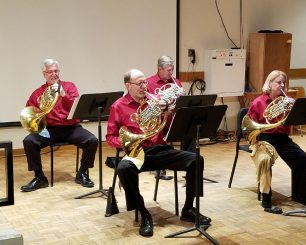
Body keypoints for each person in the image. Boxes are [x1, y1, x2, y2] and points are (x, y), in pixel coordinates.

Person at [106, 69, 211, 237]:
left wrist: (168, 114)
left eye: (144, 82)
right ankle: (144, 213)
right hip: (137, 152)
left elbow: (169, 129)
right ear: (128, 85)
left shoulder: (154, 101)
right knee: (124, 169)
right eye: (139, 83)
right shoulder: (118, 106)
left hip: (160, 149)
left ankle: (188, 208)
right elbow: (111, 138)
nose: (143, 86)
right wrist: (128, 142)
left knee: (196, 159)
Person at [21, 59, 98, 192]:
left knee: (92, 140)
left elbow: (76, 106)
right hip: (49, 130)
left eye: (56, 71)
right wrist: (37, 112)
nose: (54, 74)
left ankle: (82, 173)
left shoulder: (69, 87)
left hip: (70, 128)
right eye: (50, 72)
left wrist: (63, 94)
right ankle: (39, 177)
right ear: (44, 74)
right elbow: (29, 110)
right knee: (29, 141)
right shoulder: (38, 93)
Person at [246, 70, 306, 214]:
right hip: (263, 139)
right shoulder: (258, 103)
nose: (282, 85)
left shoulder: (286, 101)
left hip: (282, 139)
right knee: (265, 160)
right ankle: (266, 200)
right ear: (269, 84)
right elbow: (249, 127)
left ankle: (299, 194)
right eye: (278, 82)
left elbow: (294, 122)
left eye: (284, 83)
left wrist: (295, 109)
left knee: (303, 158)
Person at [147, 55, 194, 180]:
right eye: (169, 70)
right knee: (157, 132)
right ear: (160, 69)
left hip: (174, 119)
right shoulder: (149, 83)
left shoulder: (176, 82)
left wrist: (182, 96)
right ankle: (159, 167)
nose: (171, 73)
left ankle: (189, 165)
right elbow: (147, 104)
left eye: (172, 70)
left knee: (191, 131)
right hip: (158, 120)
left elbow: (180, 102)